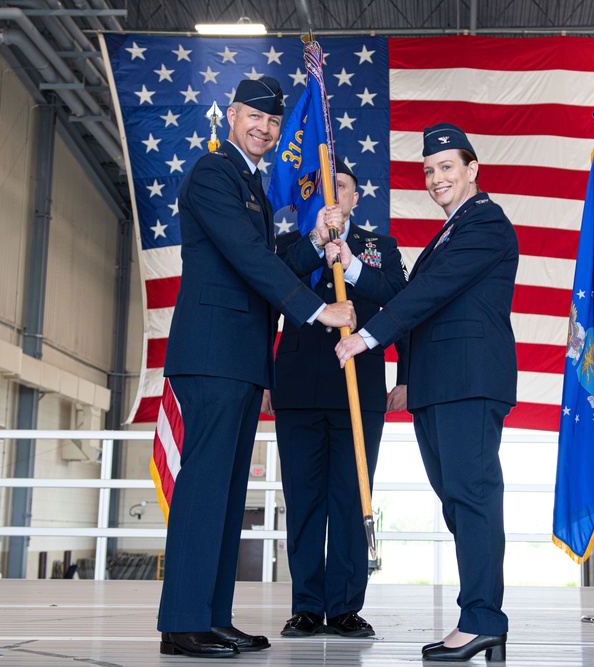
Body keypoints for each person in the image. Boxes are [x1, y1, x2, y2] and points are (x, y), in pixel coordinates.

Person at [157, 77, 356, 659]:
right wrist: (317, 309)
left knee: (224, 491)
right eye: (254, 117)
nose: (265, 129)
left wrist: (314, 236)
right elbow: (246, 258)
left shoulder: (252, 185)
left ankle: (212, 616)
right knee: (203, 489)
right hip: (212, 354)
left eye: (272, 122)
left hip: (241, 358)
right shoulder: (214, 173)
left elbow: (266, 256)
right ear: (232, 115)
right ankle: (183, 623)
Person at [334, 123, 518, 663]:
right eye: (429, 170)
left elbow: (430, 294)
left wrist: (367, 339)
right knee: (459, 503)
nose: (436, 178)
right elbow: (409, 292)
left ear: (471, 170)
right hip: (440, 386)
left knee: (473, 499)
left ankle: (484, 619)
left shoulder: (485, 221)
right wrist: (350, 264)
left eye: (446, 167)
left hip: (467, 383)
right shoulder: (450, 231)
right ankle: (480, 617)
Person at [261, 157, 408, 639]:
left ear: (354, 197)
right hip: (300, 390)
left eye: (341, 186)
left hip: (358, 391)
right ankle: (306, 604)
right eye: (325, 187)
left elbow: (403, 303)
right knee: (303, 500)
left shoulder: (378, 247)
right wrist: (317, 243)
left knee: (351, 497)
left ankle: (345, 606)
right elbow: (273, 289)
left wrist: (405, 374)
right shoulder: (289, 245)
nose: (334, 193)